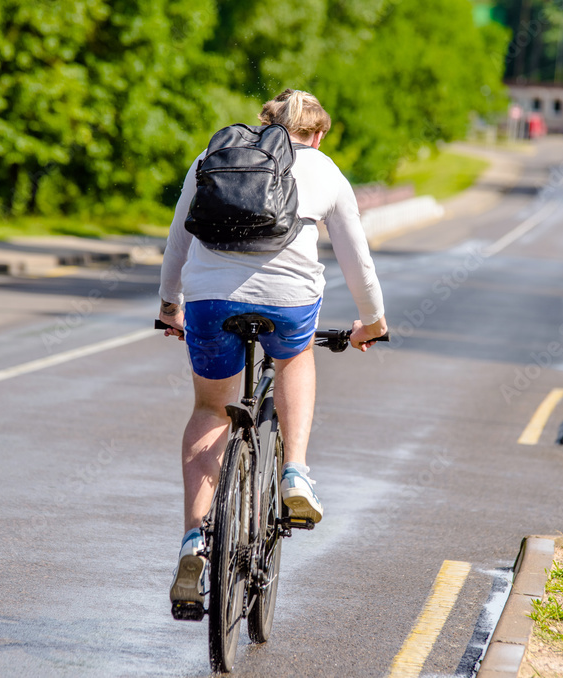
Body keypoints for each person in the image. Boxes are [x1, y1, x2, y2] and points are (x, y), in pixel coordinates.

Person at [159, 89, 388, 609]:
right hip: (288, 303)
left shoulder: (213, 157)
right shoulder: (326, 171)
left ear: (265, 123)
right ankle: (295, 472)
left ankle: (195, 540)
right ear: (320, 132)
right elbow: (358, 263)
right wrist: (371, 323)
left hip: (209, 301)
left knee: (210, 408)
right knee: (296, 352)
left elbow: (178, 239)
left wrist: (171, 306)